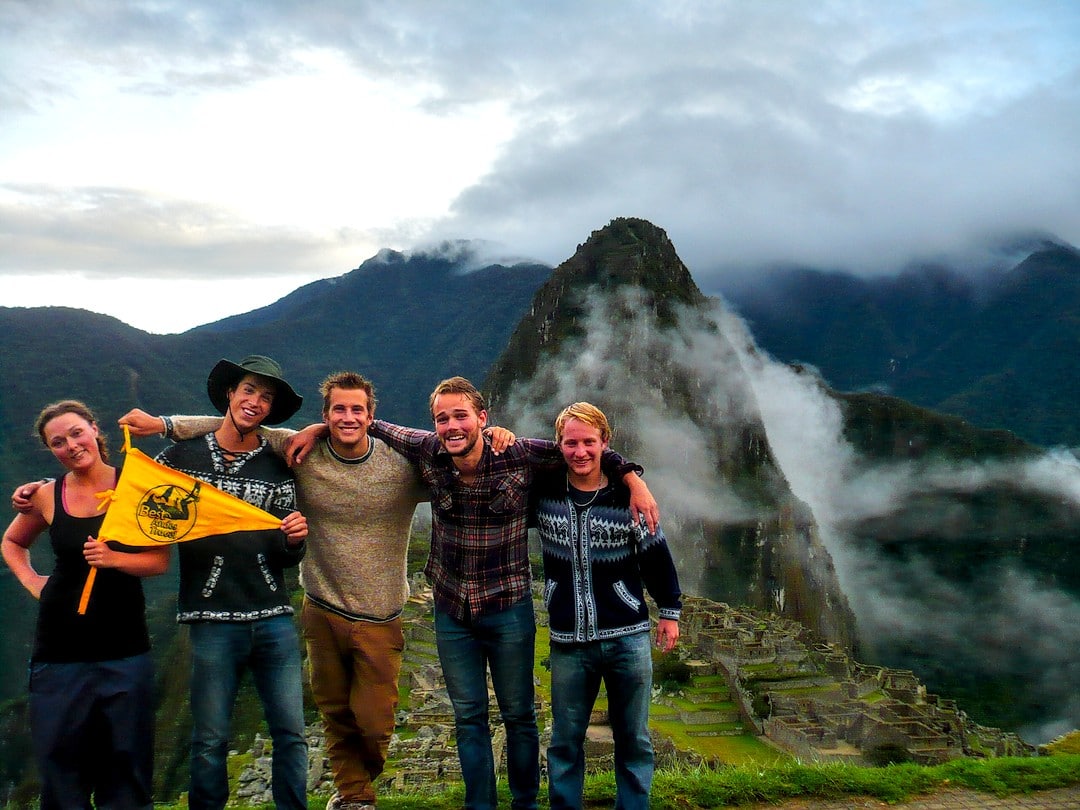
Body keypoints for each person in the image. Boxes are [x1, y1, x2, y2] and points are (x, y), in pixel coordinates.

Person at [287, 376, 659, 810]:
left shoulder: (518, 455)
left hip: (507, 606)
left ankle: (525, 803)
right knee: (469, 719)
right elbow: (376, 425)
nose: (452, 426)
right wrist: (318, 428)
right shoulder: (428, 450)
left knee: (519, 717)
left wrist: (633, 478)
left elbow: (581, 446)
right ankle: (479, 805)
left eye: (461, 415)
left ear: (482, 419)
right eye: (442, 418)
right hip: (451, 611)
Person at [119, 371, 434, 810]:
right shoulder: (300, 453)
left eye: (357, 410)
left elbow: (451, 460)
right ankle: (354, 797)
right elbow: (235, 427)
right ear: (324, 417)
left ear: (371, 416)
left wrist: (497, 442)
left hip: (375, 614)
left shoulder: (398, 467)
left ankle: (355, 785)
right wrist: (164, 425)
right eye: (337, 410)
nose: (347, 417)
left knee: (373, 723)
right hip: (317, 608)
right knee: (328, 716)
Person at [2, 400, 170, 810]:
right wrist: (31, 581)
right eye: (58, 442)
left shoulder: (135, 487)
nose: (71, 445)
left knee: (127, 770)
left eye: (77, 433)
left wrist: (114, 560)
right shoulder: (46, 495)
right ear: (51, 451)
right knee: (62, 771)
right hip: (59, 653)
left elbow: (159, 561)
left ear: (95, 430)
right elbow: (12, 542)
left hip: (124, 650)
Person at [533, 402, 681, 810]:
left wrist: (669, 610)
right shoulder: (544, 493)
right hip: (568, 640)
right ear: (559, 445)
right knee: (565, 738)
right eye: (571, 443)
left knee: (633, 736)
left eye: (589, 442)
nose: (580, 451)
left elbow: (655, 553)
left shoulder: (627, 498)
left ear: (604, 444)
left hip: (626, 637)